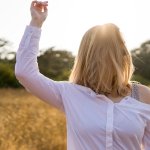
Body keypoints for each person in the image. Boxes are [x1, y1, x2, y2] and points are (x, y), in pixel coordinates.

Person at [15, 1, 150, 150]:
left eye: (124, 49)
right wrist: (36, 23)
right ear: (96, 56)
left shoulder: (143, 95)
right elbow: (25, 73)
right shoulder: (70, 94)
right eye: (119, 49)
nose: (125, 54)